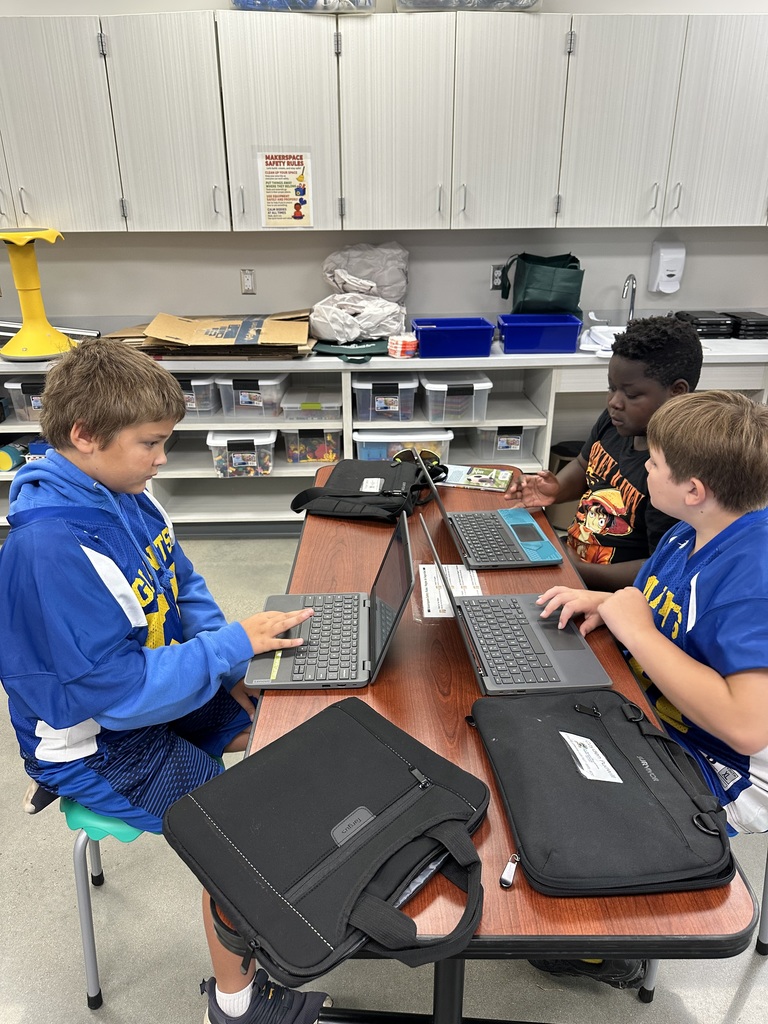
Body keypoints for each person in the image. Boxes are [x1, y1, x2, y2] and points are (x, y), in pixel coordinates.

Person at [0, 338, 329, 1024]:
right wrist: (228, 648)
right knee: (237, 839)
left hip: (137, 696)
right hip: (101, 739)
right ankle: (236, 1006)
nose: (161, 459)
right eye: (151, 443)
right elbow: (118, 696)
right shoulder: (52, 548)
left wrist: (226, 655)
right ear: (85, 436)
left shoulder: (125, 492)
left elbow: (181, 582)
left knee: (279, 715)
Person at [529, 389, 768, 989]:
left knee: (563, 794)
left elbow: (747, 726)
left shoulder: (753, 576)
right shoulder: (692, 530)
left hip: (729, 763)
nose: (644, 470)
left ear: (694, 488)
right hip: (652, 704)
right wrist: (607, 603)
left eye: (654, 463)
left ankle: (618, 939)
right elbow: (661, 612)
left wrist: (635, 628)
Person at [505, 316, 703, 591]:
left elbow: (659, 567)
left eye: (631, 395)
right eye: (612, 388)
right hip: (573, 562)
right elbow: (585, 463)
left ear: (677, 392)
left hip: (607, 593)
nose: (614, 402)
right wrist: (555, 490)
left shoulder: (674, 472)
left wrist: (577, 572)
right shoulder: (615, 423)